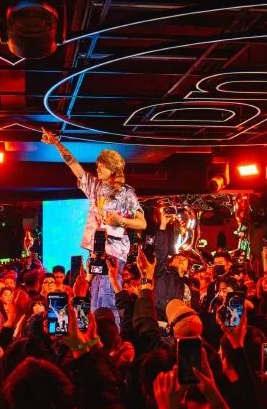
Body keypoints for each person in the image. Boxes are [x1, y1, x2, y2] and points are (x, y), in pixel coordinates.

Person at [41, 128, 146, 324]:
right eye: (97, 166)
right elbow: (73, 165)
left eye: (102, 166)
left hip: (113, 253)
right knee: (90, 297)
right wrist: (56, 144)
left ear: (113, 169)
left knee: (106, 301)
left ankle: (109, 334)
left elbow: (142, 222)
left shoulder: (126, 193)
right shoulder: (95, 186)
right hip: (96, 251)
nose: (97, 169)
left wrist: (120, 221)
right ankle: (86, 332)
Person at [154, 208, 191, 322]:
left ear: (188, 268)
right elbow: (160, 254)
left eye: (184, 259)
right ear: (170, 262)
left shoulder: (187, 287)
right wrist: (163, 226)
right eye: (177, 258)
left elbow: (188, 310)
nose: (181, 260)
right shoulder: (162, 273)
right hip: (158, 322)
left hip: (174, 325)